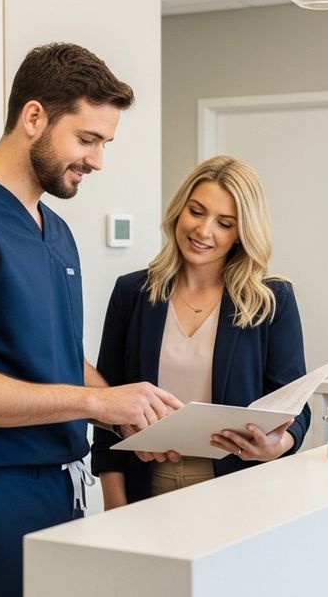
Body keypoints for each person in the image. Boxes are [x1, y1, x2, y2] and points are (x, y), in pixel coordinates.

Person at [0, 43, 183, 597]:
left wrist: (129, 411)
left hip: (60, 491)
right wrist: (96, 403)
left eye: (105, 143)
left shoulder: (57, 232)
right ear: (33, 117)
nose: (97, 160)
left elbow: (55, 355)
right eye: (87, 139)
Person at [92, 155, 310, 507]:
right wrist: (114, 509)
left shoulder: (271, 300)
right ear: (179, 210)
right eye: (196, 211)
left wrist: (277, 446)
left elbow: (295, 407)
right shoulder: (131, 294)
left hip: (239, 491)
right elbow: (107, 409)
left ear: (241, 233)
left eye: (224, 223)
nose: (203, 231)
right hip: (146, 489)